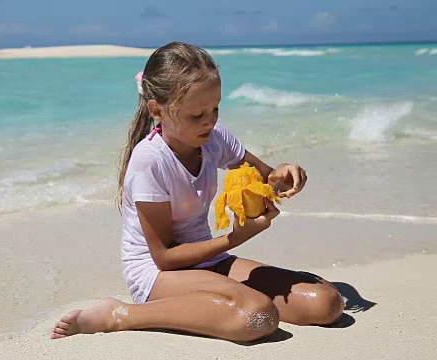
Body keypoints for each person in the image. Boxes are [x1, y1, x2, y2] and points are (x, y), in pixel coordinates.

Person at [52, 41, 344, 342]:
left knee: (325, 303)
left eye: (215, 108)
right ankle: (118, 314)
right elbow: (165, 257)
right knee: (259, 314)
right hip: (156, 274)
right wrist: (234, 238)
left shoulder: (213, 138)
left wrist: (284, 174)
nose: (210, 120)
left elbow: (267, 178)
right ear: (157, 110)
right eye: (197, 115)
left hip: (206, 261)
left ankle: (222, 296)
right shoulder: (149, 161)